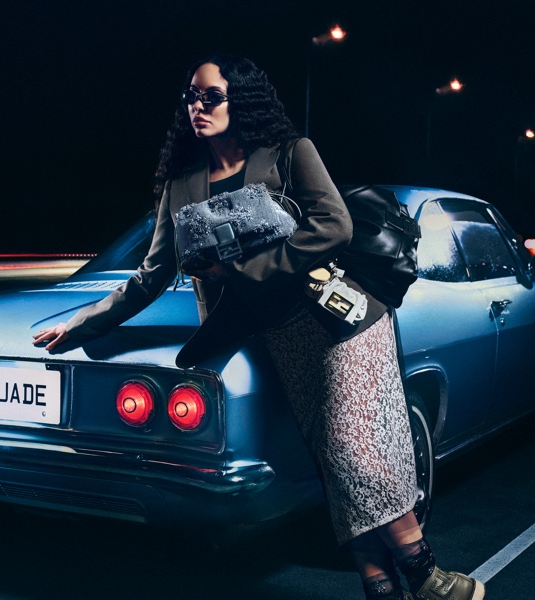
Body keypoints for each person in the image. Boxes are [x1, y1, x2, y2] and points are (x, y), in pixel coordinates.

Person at [32, 55, 485, 600]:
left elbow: (335, 227)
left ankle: (424, 573)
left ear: (240, 99)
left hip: (342, 320)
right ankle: (379, 584)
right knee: (333, 459)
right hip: (279, 334)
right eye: (190, 99)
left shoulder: (292, 154)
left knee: (356, 449)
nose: (196, 108)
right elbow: (150, 277)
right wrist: (80, 325)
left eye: (210, 97)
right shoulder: (180, 185)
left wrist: (237, 269)